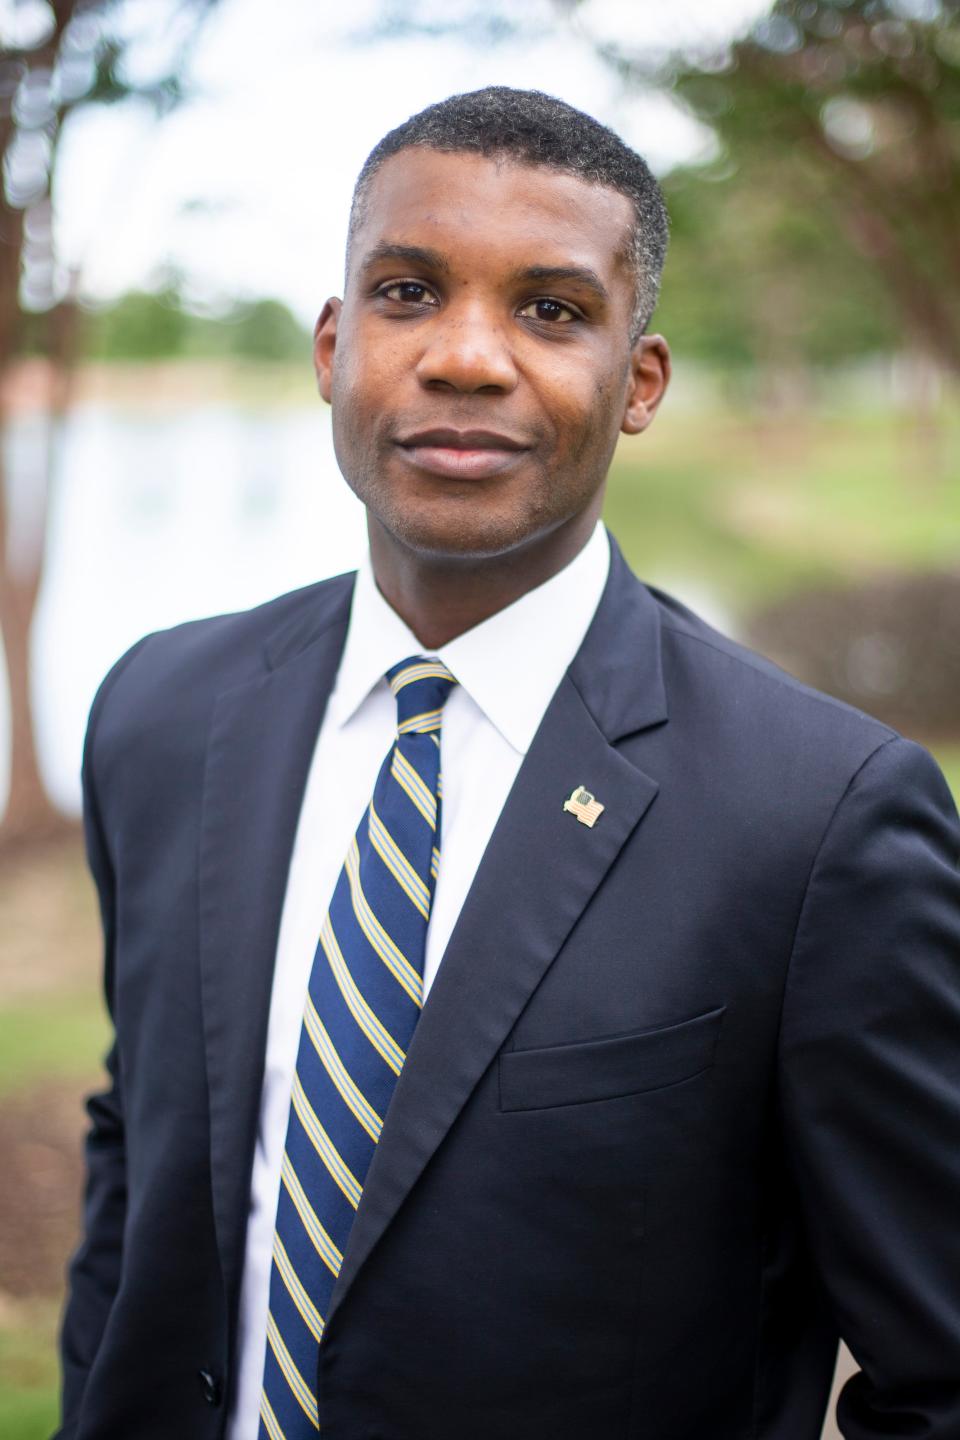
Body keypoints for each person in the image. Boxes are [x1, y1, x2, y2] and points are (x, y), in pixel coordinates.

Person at [57, 87, 960, 1440]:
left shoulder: (820, 818)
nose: (468, 357)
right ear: (331, 344)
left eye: (550, 309)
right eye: (409, 290)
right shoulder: (160, 713)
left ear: (637, 381)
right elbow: (144, 1153)